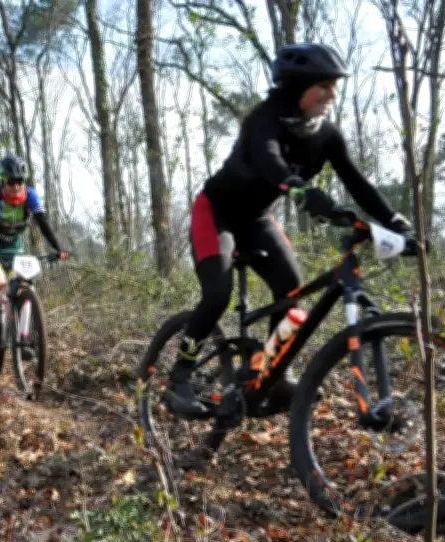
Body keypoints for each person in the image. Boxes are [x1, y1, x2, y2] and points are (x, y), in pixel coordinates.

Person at [163, 43, 413, 417]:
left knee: (291, 291)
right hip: (216, 212)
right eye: (324, 86)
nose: (333, 94)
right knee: (217, 293)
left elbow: (357, 183)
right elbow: (269, 160)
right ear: (299, 87)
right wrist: (299, 188)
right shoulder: (265, 118)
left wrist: (395, 221)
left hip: (257, 219)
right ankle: (179, 376)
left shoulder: (327, 135)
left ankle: (271, 374)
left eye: (335, 86)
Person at [0, 154, 68, 341]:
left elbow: (43, 222)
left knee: (26, 287)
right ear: (3, 181)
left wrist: (59, 247)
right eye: (11, 182)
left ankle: (24, 336)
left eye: (20, 181)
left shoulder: (30, 195)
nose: (16, 186)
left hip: (16, 249)